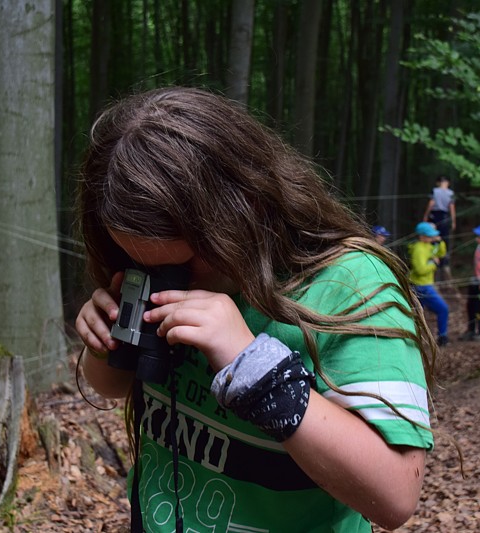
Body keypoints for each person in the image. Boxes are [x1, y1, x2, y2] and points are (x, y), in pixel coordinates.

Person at [74, 87, 435, 532]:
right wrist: (104, 339)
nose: (169, 283)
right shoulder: (150, 259)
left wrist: (254, 368)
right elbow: (111, 385)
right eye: (141, 264)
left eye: (186, 262)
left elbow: (396, 495)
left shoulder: (349, 283)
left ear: (239, 207)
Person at [408, 221, 449, 346]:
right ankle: (442, 337)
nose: (432, 237)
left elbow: (441, 253)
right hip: (421, 286)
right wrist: (434, 264)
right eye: (430, 235)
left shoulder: (428, 246)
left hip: (424, 285)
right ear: (422, 236)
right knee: (443, 309)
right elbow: (420, 270)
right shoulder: (419, 249)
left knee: (417, 315)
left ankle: (416, 339)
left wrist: (439, 242)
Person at [422, 176, 456, 267]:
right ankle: (443, 259)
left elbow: (431, 203)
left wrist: (426, 215)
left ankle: (433, 257)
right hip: (445, 216)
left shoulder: (435, 191)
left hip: (434, 215)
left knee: (433, 236)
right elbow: (451, 207)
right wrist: (453, 221)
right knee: (443, 238)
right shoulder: (450, 193)